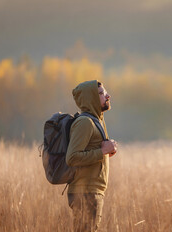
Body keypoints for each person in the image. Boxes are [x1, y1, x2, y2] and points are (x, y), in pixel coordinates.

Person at [65, 80, 117, 232]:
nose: (108, 96)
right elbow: (72, 157)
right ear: (91, 99)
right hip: (85, 193)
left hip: (91, 192)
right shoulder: (85, 123)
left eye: (105, 92)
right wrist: (101, 152)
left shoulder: (96, 121)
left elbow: (88, 153)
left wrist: (106, 152)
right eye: (101, 94)